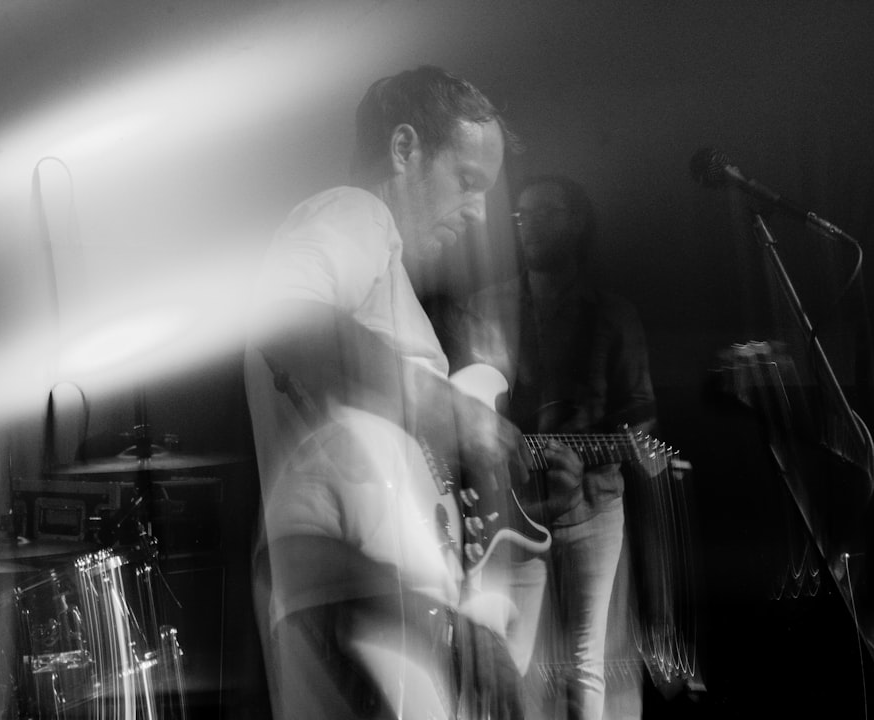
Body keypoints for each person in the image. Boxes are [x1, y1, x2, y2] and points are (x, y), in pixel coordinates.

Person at [242, 66, 576, 720]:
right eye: (468, 180)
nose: (480, 210)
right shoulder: (353, 210)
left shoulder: (386, 283)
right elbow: (283, 318)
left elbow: (400, 481)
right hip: (351, 604)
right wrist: (443, 405)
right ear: (404, 149)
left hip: (380, 609)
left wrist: (518, 488)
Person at [454, 174, 658, 720]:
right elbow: (467, 407)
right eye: (521, 217)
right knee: (510, 654)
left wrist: (612, 449)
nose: (528, 228)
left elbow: (640, 416)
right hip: (510, 506)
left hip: (593, 506)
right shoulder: (486, 305)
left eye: (544, 215)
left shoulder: (614, 313)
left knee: (584, 657)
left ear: (576, 223)